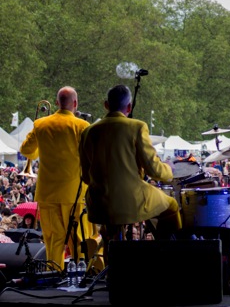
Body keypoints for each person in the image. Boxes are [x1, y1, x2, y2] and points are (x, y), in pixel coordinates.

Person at [79, 85, 181, 254]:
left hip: (99, 203)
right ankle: (168, 256)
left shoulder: (88, 132)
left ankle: (111, 267)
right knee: (171, 206)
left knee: (110, 228)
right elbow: (154, 170)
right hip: (131, 200)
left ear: (106, 105)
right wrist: (169, 171)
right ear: (129, 107)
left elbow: (86, 176)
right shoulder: (137, 127)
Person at [20, 86, 99, 270]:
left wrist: (42, 148)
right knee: (79, 238)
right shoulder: (82, 126)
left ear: (56, 103)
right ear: (75, 104)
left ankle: (54, 274)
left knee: (53, 239)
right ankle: (80, 276)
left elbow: (26, 150)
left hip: (47, 193)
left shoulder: (40, 125)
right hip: (75, 193)